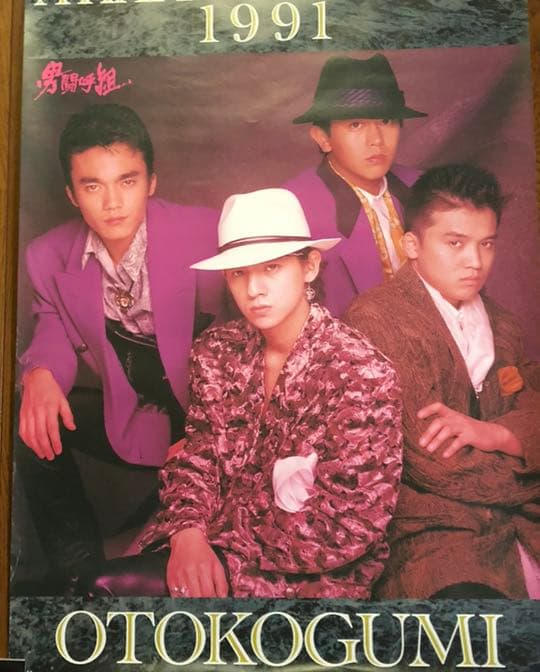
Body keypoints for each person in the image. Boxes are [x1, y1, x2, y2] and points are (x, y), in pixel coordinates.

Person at [84, 187, 402, 598]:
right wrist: (186, 534)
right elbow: (198, 458)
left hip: (308, 570)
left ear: (309, 266)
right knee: (97, 594)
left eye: (271, 268)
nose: (254, 289)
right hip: (204, 542)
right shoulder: (215, 352)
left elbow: (348, 524)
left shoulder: (362, 372)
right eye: (239, 273)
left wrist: (216, 548)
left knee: (114, 594)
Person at [15, 103, 225, 593]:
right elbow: (51, 327)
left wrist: (209, 434)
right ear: (71, 194)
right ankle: (79, 578)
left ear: (151, 182)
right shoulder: (47, 255)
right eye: (93, 186)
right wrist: (39, 373)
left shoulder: (206, 232)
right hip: (136, 416)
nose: (112, 202)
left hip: (216, 421)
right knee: (25, 417)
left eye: (127, 181)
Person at [344, 163, 540, 599]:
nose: (475, 262)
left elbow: (534, 406)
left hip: (521, 525)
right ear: (412, 244)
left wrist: (496, 434)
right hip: (433, 535)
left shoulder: (504, 323)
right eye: (455, 243)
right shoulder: (376, 318)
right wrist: (531, 470)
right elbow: (431, 463)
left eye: (486, 244)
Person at [283, 53, 426, 317]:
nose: (376, 140)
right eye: (356, 124)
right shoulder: (290, 208)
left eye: (386, 121)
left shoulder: (427, 188)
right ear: (323, 138)